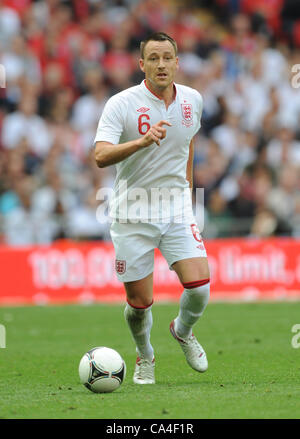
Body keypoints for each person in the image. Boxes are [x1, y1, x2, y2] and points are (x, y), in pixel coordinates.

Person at [94, 32, 210, 384]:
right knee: (139, 302)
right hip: (132, 213)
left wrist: (187, 191)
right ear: (141, 64)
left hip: (175, 207)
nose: (161, 64)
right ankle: (145, 355)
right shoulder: (121, 104)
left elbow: (188, 143)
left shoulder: (193, 100)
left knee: (200, 286)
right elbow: (100, 155)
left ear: (178, 63)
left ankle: (183, 331)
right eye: (154, 58)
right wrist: (142, 141)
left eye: (167, 57)